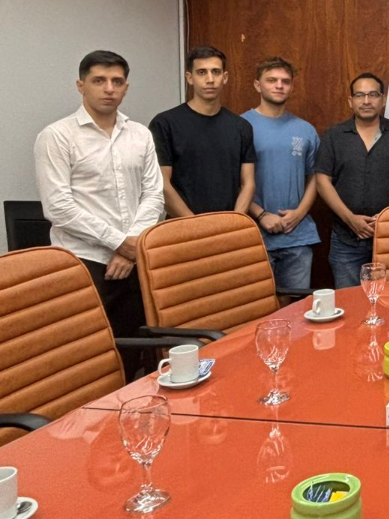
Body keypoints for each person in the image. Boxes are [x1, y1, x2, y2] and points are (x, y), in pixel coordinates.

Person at [34, 50, 163, 374]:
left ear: (126, 87)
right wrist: (120, 242)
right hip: (81, 262)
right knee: (85, 358)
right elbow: (58, 207)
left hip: (133, 261)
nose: (109, 88)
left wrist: (130, 248)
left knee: (132, 349)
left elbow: (153, 195)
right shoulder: (57, 136)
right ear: (81, 85)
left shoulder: (140, 134)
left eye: (117, 81)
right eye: (99, 80)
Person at [315, 73, 389, 288]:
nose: (366, 101)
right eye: (360, 95)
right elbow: (322, 180)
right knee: (350, 306)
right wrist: (350, 219)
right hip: (346, 239)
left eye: (373, 95)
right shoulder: (334, 135)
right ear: (350, 101)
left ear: (383, 99)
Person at [241, 56, 321, 290]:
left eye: (285, 81)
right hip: (254, 235)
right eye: (271, 80)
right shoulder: (239, 127)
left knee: (295, 311)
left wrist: (299, 213)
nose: (279, 85)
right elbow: (231, 180)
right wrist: (261, 214)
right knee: (256, 310)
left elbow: (315, 177)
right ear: (258, 85)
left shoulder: (305, 130)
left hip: (297, 235)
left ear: (292, 86)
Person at [149, 46, 255, 217]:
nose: (210, 79)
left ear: (225, 77)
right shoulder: (165, 124)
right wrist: (197, 227)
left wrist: (235, 223)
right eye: (201, 72)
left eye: (216, 72)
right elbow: (162, 183)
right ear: (189, 78)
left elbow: (248, 183)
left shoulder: (241, 127)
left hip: (229, 229)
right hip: (183, 229)